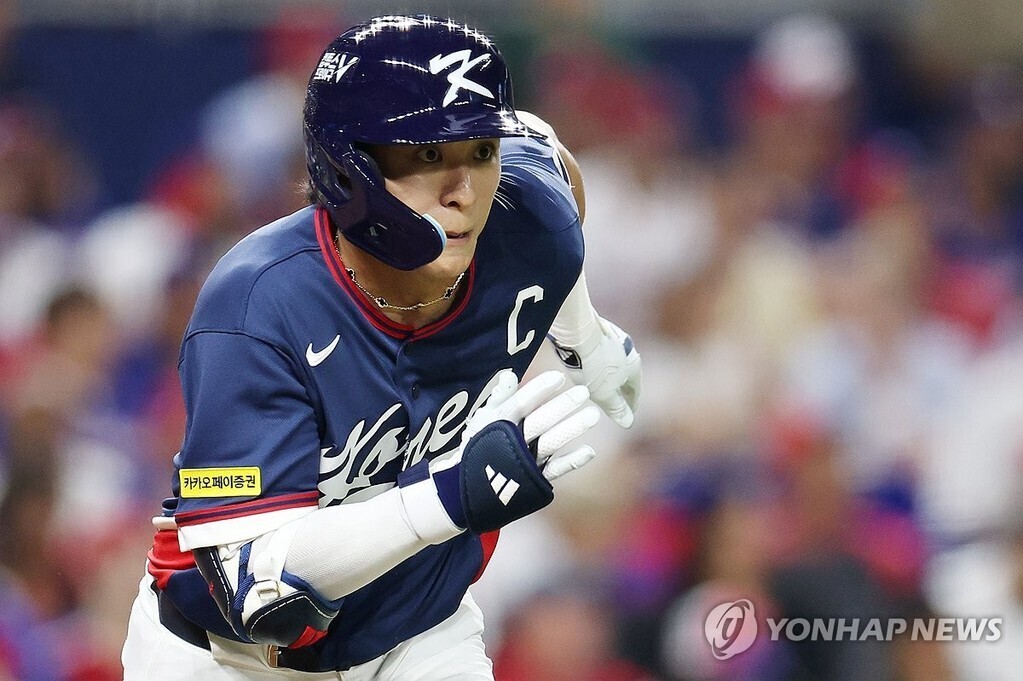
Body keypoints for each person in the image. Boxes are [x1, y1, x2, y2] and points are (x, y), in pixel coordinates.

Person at [121, 14, 641, 680]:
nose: (464, 192)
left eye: (481, 151)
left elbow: (548, 159)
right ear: (348, 165)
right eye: (426, 156)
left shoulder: (526, 214)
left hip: (416, 635)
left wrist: (582, 334)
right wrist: (446, 497)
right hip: (227, 654)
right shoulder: (256, 306)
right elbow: (254, 589)